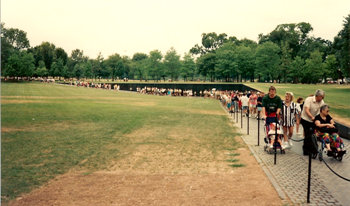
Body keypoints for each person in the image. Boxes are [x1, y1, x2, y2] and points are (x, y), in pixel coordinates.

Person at [300, 89, 325, 155]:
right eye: (321, 97)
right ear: (317, 96)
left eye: (322, 97)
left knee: (312, 134)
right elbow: (306, 110)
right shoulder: (309, 99)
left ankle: (312, 148)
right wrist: (311, 117)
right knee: (307, 134)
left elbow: (321, 111)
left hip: (313, 120)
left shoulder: (321, 102)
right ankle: (306, 150)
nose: (322, 98)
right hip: (305, 119)